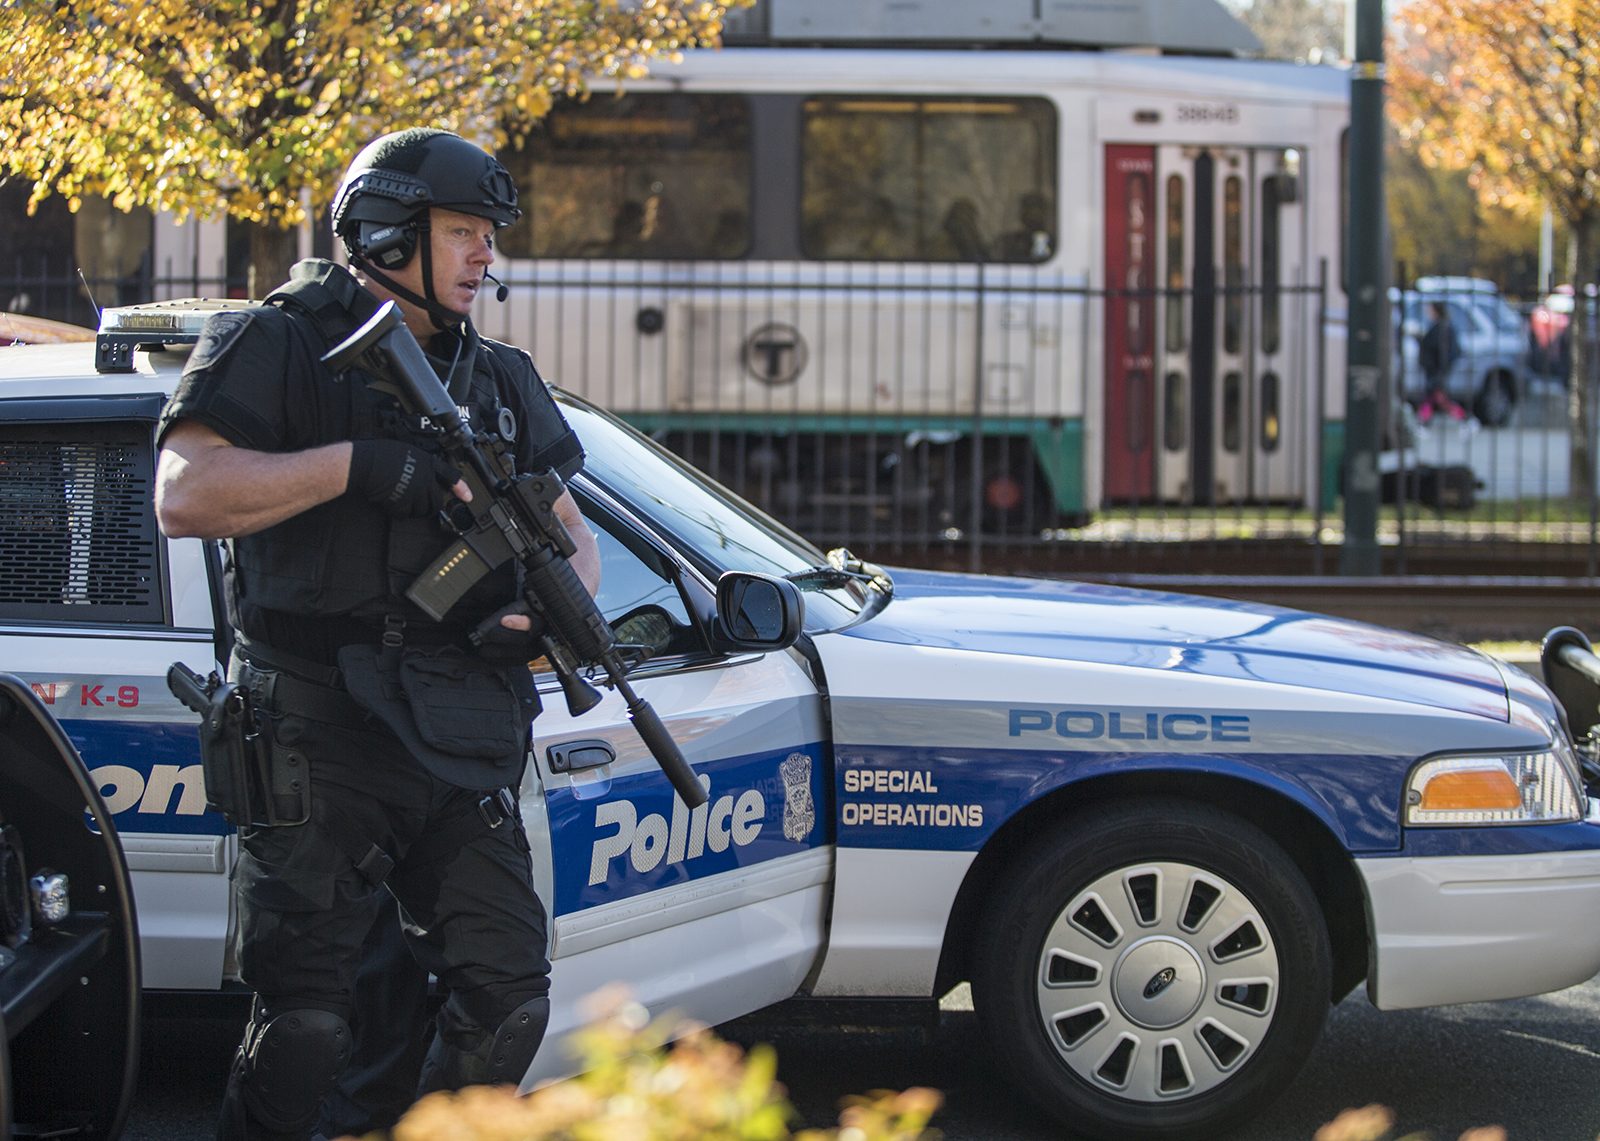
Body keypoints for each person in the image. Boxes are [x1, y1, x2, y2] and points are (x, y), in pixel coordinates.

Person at [154, 127, 599, 1141]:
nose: (487, 254)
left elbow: (572, 535)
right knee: (306, 1024)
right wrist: (355, 466)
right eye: (464, 231)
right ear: (389, 232)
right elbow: (185, 494)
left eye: (490, 233)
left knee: (507, 1000)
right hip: (315, 727)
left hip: (452, 727)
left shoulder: (502, 378)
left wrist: (539, 611)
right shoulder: (275, 343)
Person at [1416, 299, 1467, 423]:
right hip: (1433, 367)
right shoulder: (1437, 326)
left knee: (1437, 397)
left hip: (1437, 368)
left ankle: (1464, 418)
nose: (1427, 312)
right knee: (1434, 396)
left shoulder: (1442, 327)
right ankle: (1424, 421)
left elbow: (1439, 348)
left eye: (1430, 309)